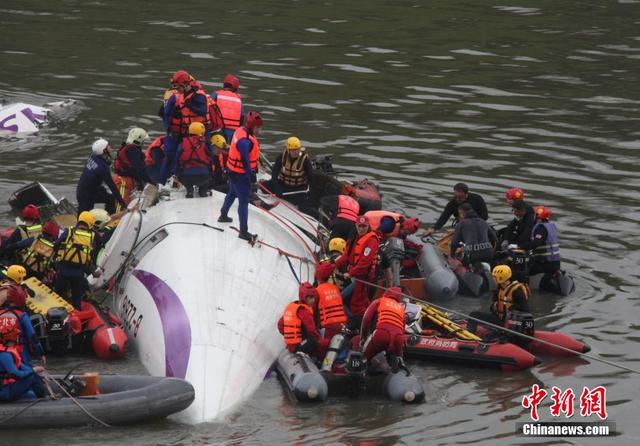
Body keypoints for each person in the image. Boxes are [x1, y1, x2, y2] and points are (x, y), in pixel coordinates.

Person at [218, 111, 263, 243]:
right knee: (243, 202)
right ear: (253, 127)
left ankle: (223, 215)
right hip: (240, 174)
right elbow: (244, 158)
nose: (260, 130)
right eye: (259, 128)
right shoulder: (245, 141)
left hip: (232, 170)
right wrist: (250, 174)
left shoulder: (239, 131)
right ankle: (243, 232)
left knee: (232, 193)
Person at [334, 215, 380, 329]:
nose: (361, 229)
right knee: (355, 302)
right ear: (356, 225)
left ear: (368, 226)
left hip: (365, 278)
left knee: (356, 304)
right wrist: (334, 265)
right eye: (360, 226)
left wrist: (350, 273)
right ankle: (359, 323)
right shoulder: (354, 237)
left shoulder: (371, 240)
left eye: (364, 226)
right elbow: (346, 256)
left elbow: (364, 263)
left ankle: (359, 326)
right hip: (356, 277)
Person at [53, 211, 102, 309]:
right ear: (90, 224)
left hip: (63, 270)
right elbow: (91, 258)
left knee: (56, 295)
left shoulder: (69, 231)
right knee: (76, 299)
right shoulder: (91, 238)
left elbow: (56, 245)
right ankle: (77, 315)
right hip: (78, 274)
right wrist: (93, 272)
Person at [0, 265, 44, 365]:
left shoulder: (7, 287)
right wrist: (40, 353)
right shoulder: (7, 290)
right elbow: (32, 336)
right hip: (19, 346)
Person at [467, 265, 531, 334]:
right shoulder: (499, 289)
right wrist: (493, 306)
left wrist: (514, 308)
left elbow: (526, 311)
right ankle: (469, 334)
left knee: (490, 336)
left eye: (494, 277)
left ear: (501, 277)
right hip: (498, 319)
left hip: (509, 323)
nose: (493, 279)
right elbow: (494, 307)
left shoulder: (517, 291)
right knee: (474, 315)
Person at [277, 282, 329, 361]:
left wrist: (288, 337)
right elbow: (312, 330)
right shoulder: (304, 311)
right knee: (318, 342)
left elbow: (280, 325)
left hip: (291, 345)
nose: (313, 300)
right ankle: (322, 362)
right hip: (298, 346)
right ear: (303, 297)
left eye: (313, 297)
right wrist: (322, 342)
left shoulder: (292, 307)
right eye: (310, 298)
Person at [360, 286, 406, 373]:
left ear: (387, 293)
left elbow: (366, 319)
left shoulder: (379, 301)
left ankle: (362, 377)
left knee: (364, 357)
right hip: (398, 337)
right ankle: (397, 368)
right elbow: (403, 329)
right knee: (398, 360)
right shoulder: (401, 309)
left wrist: (362, 337)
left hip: (382, 333)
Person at [76, 138, 127, 215]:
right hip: (86, 196)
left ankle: (108, 218)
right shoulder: (103, 168)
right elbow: (112, 187)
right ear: (104, 151)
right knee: (84, 217)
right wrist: (123, 205)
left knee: (110, 199)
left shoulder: (93, 156)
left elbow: (101, 164)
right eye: (108, 146)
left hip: (87, 189)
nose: (111, 148)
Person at [0, 322, 46, 402]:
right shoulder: (4, 355)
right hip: (4, 392)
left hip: (8, 388)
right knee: (33, 378)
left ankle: (42, 399)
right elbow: (16, 375)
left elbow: (22, 367)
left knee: (32, 394)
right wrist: (33, 370)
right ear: (13, 338)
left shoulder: (9, 351)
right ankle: (45, 401)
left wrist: (39, 374)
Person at [113, 127, 154, 211]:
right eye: (143, 141)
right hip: (123, 183)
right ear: (138, 140)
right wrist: (152, 182)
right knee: (121, 207)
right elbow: (140, 170)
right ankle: (116, 223)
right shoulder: (132, 152)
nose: (143, 143)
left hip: (127, 182)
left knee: (125, 205)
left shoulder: (130, 149)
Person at [176, 122, 214, 198]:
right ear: (202, 132)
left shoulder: (183, 143)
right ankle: (203, 191)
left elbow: (177, 158)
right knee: (207, 173)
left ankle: (189, 190)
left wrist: (177, 173)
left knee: (185, 176)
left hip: (186, 176)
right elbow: (211, 157)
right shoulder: (206, 143)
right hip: (204, 176)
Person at [314, 263, 347, 340]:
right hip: (342, 324)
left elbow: (314, 312)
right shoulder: (335, 288)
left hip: (329, 326)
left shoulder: (317, 291)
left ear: (318, 278)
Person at [528, 206, 561, 276]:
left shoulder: (541, 228)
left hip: (544, 264)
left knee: (523, 272)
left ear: (538, 216)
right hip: (555, 263)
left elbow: (535, 243)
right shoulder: (551, 226)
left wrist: (520, 247)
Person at [212, 73, 244, 143]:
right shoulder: (239, 99)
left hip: (217, 130)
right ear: (235, 88)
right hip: (232, 132)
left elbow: (208, 109)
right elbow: (242, 117)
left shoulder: (216, 94)